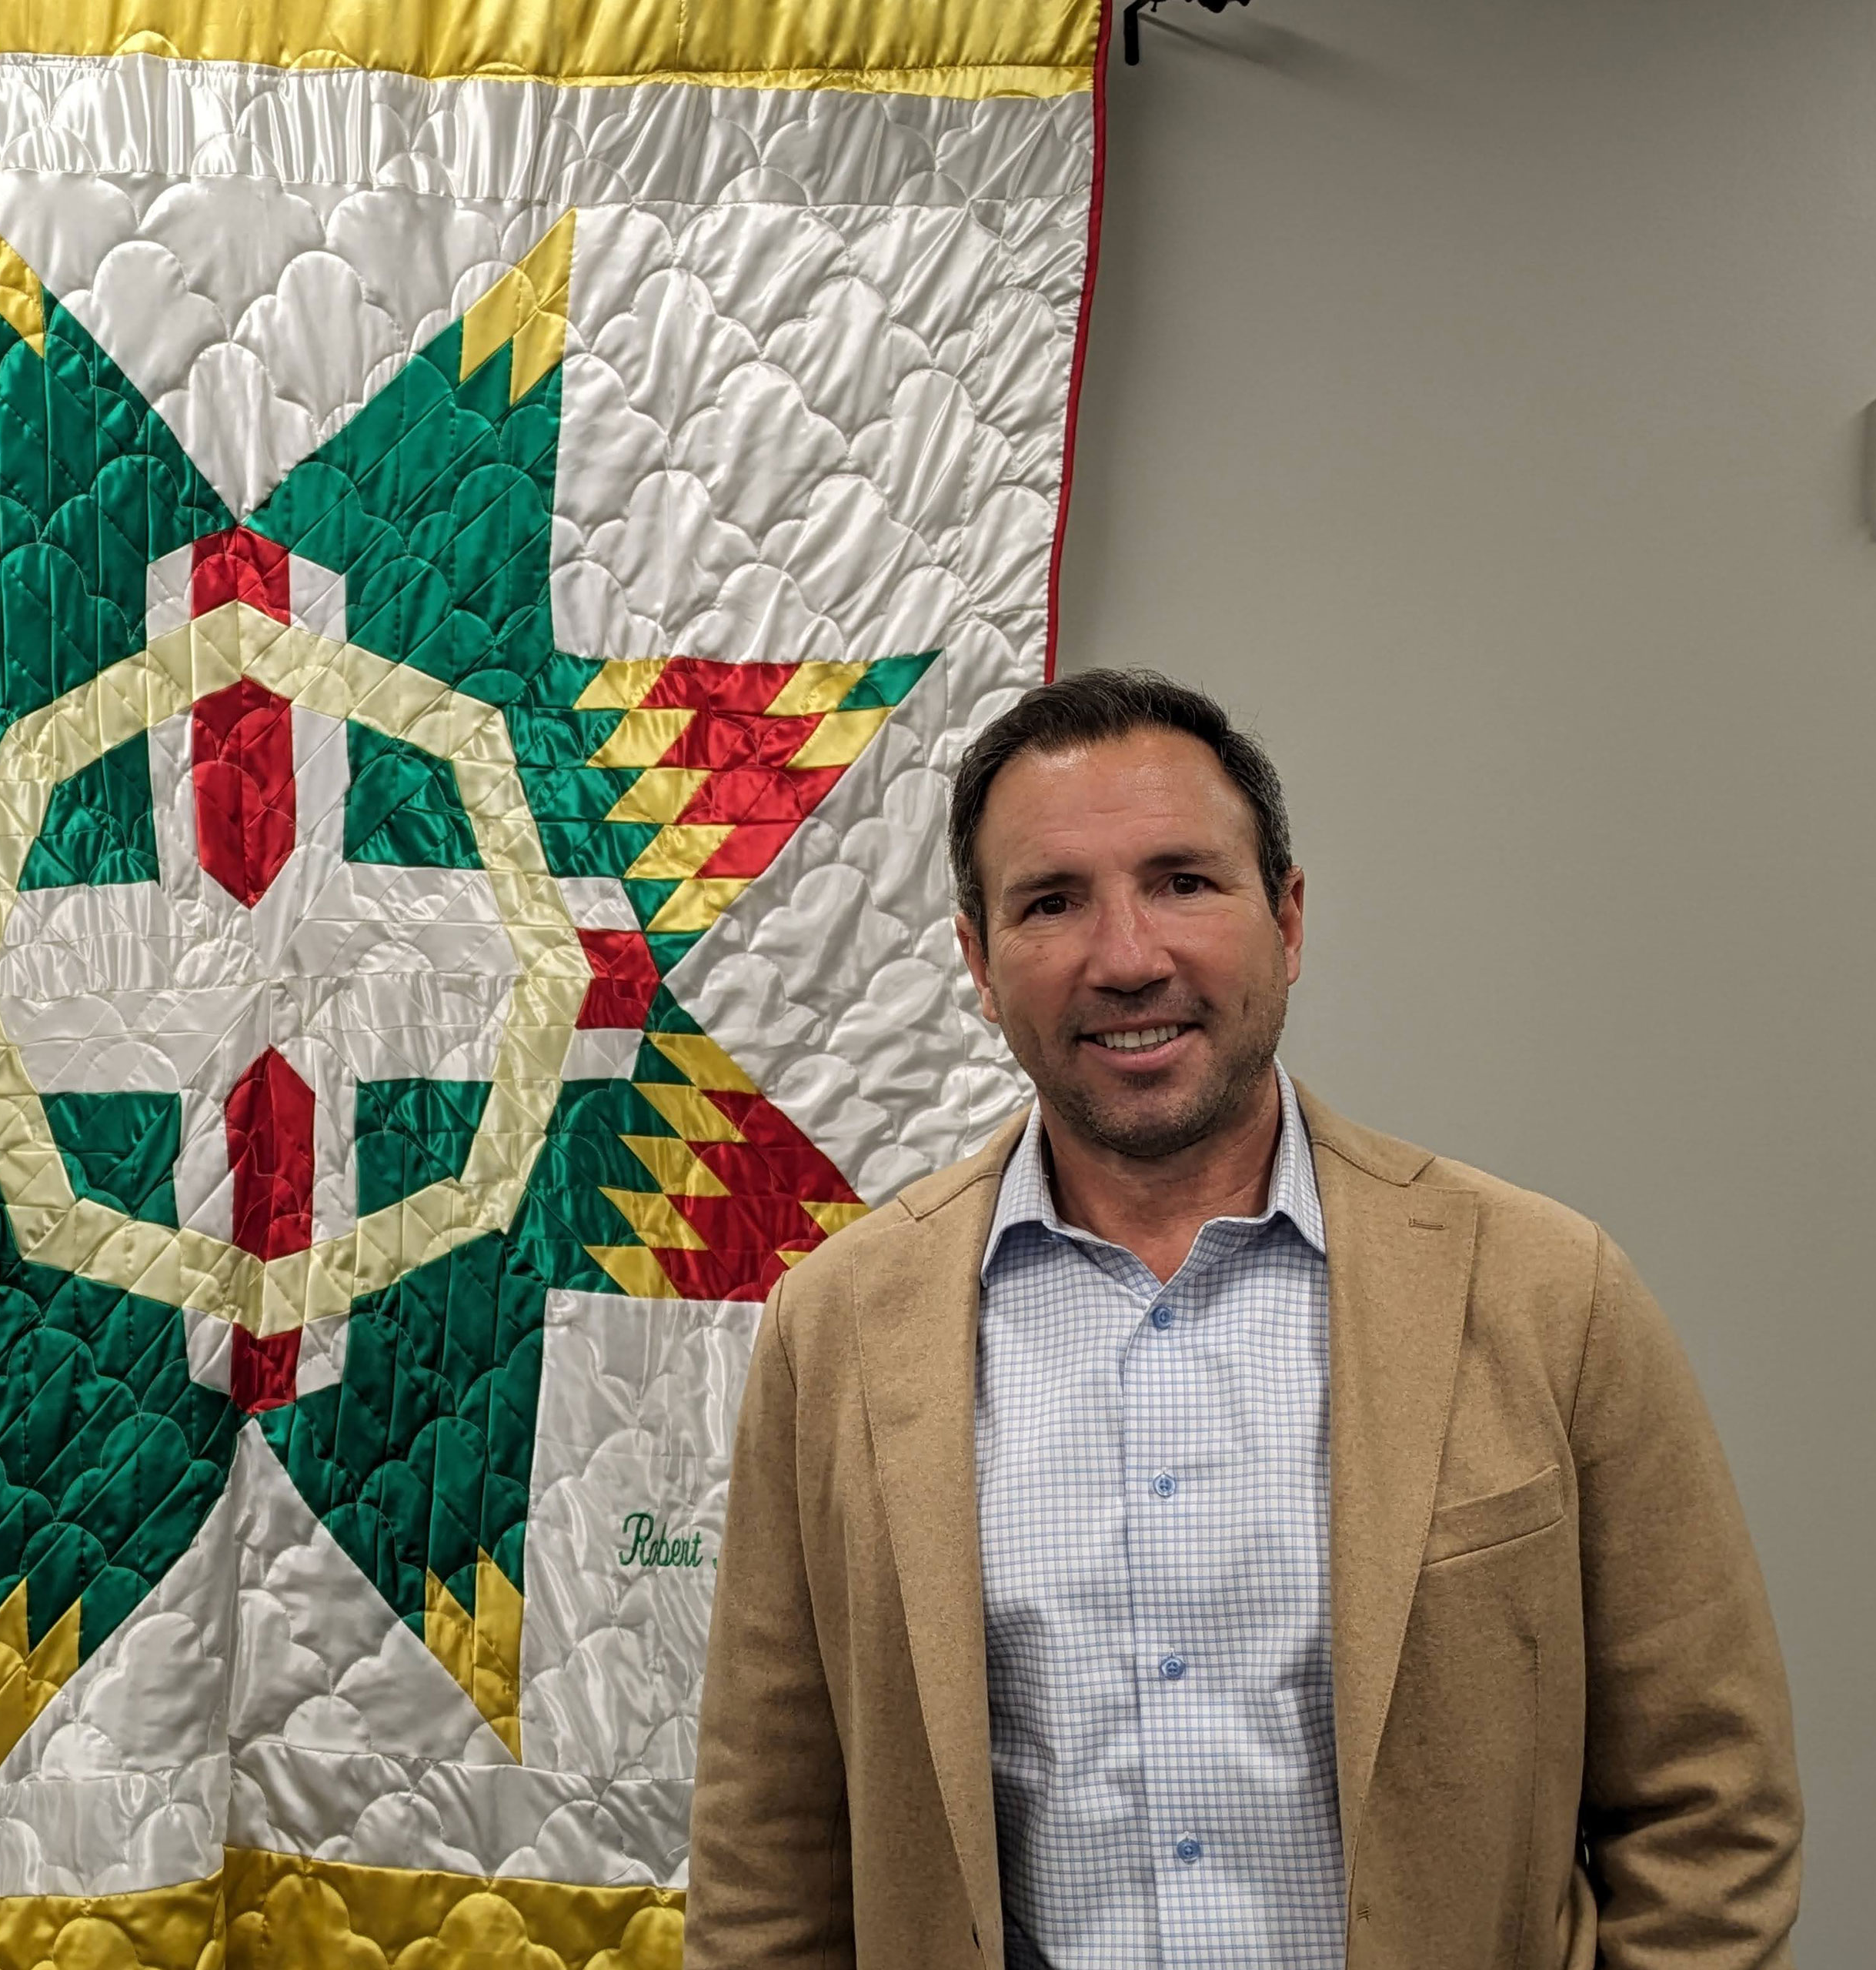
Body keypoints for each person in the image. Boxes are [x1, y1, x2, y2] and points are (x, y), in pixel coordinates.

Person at [686, 672, 1800, 1970]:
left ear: (1287, 918)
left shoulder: (1549, 1295)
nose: (1128, 958)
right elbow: (770, 1859)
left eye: (1183, 882)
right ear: (980, 965)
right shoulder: (839, 1333)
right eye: (1052, 902)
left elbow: (1709, 1809)